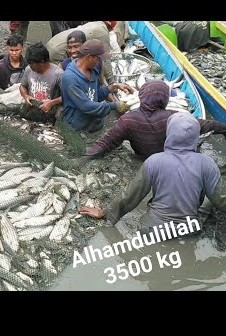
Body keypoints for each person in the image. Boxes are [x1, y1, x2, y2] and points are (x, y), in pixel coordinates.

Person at [79, 112, 226, 234]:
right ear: (196, 136)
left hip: (151, 229)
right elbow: (220, 200)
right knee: (208, 202)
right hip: (187, 229)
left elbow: (130, 196)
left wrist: (104, 213)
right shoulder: (207, 163)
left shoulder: (153, 161)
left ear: (169, 133)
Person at [84, 80, 226, 161]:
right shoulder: (175, 117)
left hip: (144, 161)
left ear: (141, 97)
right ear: (165, 100)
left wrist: (84, 158)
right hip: (172, 161)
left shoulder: (127, 120)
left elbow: (106, 143)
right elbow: (208, 125)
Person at [61, 39, 132, 133]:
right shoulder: (70, 78)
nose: (99, 62)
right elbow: (85, 106)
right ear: (89, 57)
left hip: (95, 125)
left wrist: (113, 87)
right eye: (98, 59)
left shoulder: (93, 70)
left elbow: (96, 94)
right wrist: (114, 105)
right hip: (78, 129)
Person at [46, 21, 118, 84]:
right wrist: (111, 82)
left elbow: (100, 89)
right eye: (70, 47)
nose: (73, 50)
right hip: (56, 50)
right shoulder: (65, 68)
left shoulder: (95, 25)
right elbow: (106, 60)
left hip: (53, 42)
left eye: (76, 47)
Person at [19, 42, 63, 118]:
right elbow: (22, 86)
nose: (30, 65)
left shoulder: (58, 74)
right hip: (32, 109)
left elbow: (68, 96)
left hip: (50, 111)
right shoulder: (29, 69)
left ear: (42, 62)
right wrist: (26, 96)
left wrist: (51, 103)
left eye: (32, 63)